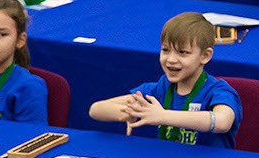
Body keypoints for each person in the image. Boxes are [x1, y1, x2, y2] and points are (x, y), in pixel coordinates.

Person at [89, 12, 242, 148]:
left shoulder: (218, 90)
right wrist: (128, 112)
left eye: (183, 53)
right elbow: (96, 109)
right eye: (165, 50)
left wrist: (163, 116)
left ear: (205, 56)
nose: (171, 60)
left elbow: (222, 122)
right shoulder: (159, 89)